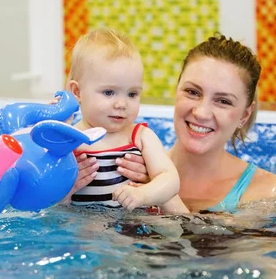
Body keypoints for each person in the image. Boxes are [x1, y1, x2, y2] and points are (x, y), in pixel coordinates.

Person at [72, 33, 276, 214]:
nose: (201, 112)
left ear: (244, 115)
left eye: (223, 101)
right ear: (176, 92)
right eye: (192, 92)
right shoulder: (131, 164)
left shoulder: (267, 192)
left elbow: (215, 256)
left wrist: (158, 192)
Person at [62, 28, 187, 213]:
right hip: (85, 236)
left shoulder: (140, 137)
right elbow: (49, 205)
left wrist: (143, 194)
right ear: (77, 92)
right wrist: (65, 193)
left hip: (133, 233)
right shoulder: (70, 141)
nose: (122, 104)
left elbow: (170, 178)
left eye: (132, 94)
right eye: (109, 92)